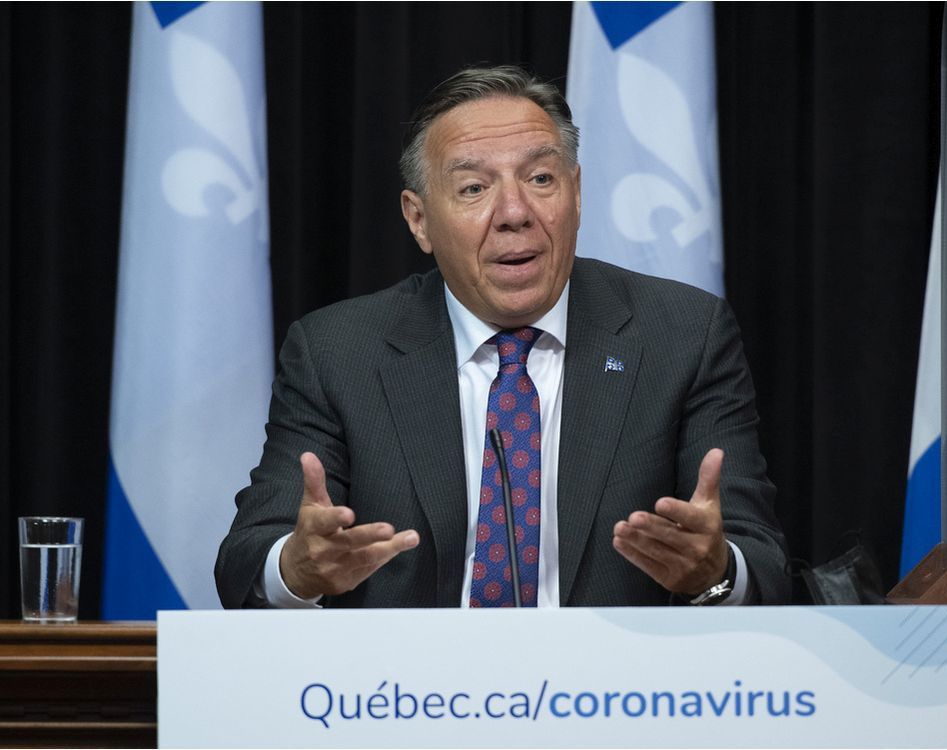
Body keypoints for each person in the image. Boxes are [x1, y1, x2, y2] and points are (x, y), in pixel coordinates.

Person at [215, 65, 790, 609]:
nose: (515, 212)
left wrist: (714, 574)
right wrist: (296, 569)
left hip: (617, 696)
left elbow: (760, 561)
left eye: (541, 179)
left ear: (577, 193)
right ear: (419, 220)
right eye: (473, 188)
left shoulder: (682, 334)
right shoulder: (339, 352)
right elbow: (246, 561)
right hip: (408, 698)